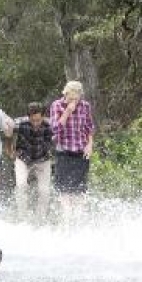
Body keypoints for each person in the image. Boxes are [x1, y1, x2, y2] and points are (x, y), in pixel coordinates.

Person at [49, 80, 95, 218]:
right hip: (64, 152)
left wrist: (90, 144)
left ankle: (79, 220)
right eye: (71, 97)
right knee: (64, 190)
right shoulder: (56, 105)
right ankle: (67, 218)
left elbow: (90, 127)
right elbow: (55, 129)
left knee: (80, 190)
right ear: (66, 93)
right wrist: (67, 111)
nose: (74, 101)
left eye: (76, 98)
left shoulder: (85, 106)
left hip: (81, 152)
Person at [8, 102, 53, 217]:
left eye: (38, 120)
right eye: (33, 120)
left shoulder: (50, 124)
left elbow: (62, 131)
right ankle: (22, 215)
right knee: (21, 185)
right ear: (28, 117)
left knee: (45, 191)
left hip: (43, 159)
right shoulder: (20, 123)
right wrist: (9, 148)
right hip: (23, 158)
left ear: (43, 116)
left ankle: (40, 217)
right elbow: (7, 129)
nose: (35, 123)